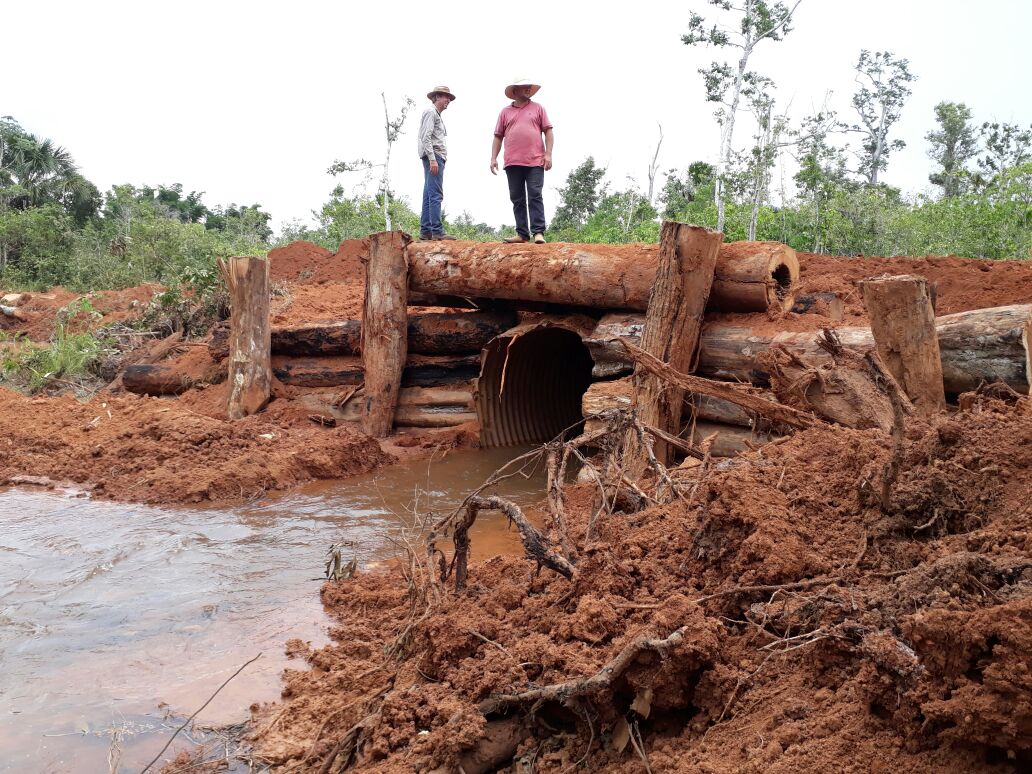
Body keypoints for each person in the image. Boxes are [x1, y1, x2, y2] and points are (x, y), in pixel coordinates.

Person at [490, 78, 554, 244]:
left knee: (535, 194)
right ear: (515, 91)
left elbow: (548, 131)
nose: (528, 89)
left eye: (529, 87)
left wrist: (548, 154)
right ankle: (522, 234)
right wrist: (493, 158)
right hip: (512, 161)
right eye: (524, 86)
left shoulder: (538, 108)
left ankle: (538, 232)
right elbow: (498, 136)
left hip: (535, 161)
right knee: (517, 198)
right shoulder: (505, 112)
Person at [418, 86, 457, 240]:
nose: (448, 100)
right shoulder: (431, 112)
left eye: (449, 98)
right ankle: (437, 231)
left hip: (433, 157)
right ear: (437, 97)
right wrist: (433, 159)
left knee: (429, 193)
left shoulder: (435, 115)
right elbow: (425, 136)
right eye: (445, 97)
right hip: (434, 157)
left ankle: (426, 230)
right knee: (435, 194)